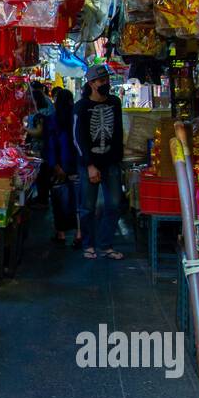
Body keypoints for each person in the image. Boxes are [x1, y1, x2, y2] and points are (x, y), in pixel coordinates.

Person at [73, 65, 124, 260]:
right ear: (92, 83)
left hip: (110, 162)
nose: (105, 84)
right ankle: (88, 245)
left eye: (106, 80)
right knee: (87, 206)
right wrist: (89, 165)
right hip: (89, 163)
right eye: (101, 81)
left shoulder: (115, 103)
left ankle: (106, 244)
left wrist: (118, 160)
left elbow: (118, 132)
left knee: (115, 203)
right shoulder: (81, 107)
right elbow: (78, 138)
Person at [47, 87, 81, 246]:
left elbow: (51, 144)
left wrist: (55, 165)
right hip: (75, 164)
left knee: (58, 199)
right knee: (77, 200)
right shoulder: (76, 118)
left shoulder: (53, 119)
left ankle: (60, 233)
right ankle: (78, 234)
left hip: (59, 165)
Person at [25, 83, 52, 207]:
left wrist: (25, 129)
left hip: (40, 147)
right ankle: (42, 197)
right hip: (45, 146)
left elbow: (38, 132)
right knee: (42, 173)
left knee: (41, 173)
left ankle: (42, 199)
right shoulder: (45, 109)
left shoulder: (39, 115)